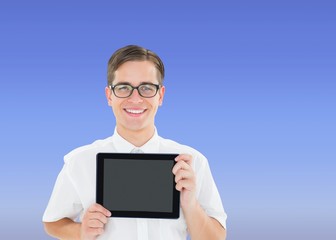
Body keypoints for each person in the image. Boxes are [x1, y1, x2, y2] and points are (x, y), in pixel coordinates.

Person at [43, 45, 227, 240]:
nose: (135, 98)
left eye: (147, 88)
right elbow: (53, 222)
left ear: (161, 95)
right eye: (123, 87)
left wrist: (191, 205)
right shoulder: (80, 161)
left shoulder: (191, 162)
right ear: (109, 96)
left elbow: (215, 237)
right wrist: (81, 232)